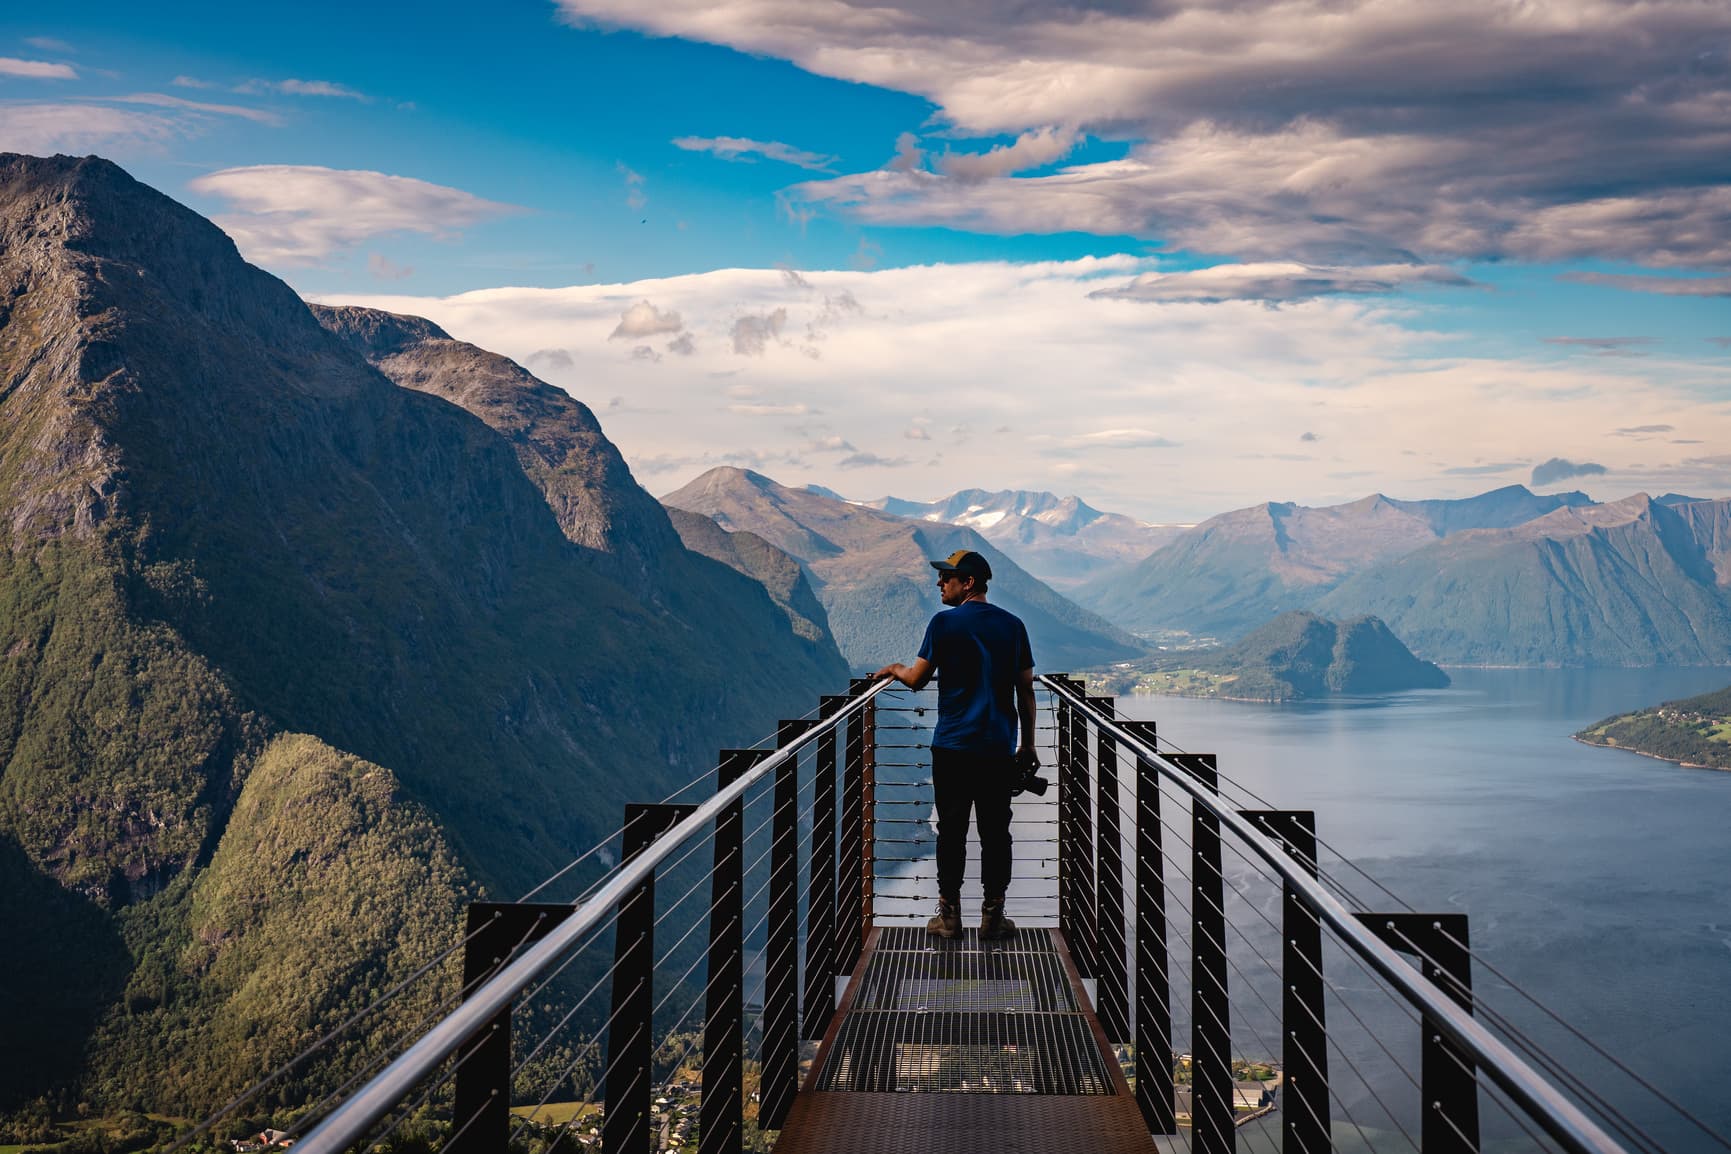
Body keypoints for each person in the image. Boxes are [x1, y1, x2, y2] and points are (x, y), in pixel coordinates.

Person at [873, 549, 1037, 940]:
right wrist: (1028, 746)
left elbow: (916, 680)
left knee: (951, 832)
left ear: (969, 583)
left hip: (952, 748)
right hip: (997, 747)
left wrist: (895, 668)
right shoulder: (1013, 626)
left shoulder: (944, 624)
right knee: (996, 833)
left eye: (947, 578)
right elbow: (1025, 691)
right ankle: (993, 918)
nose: (939, 583)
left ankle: (948, 918)